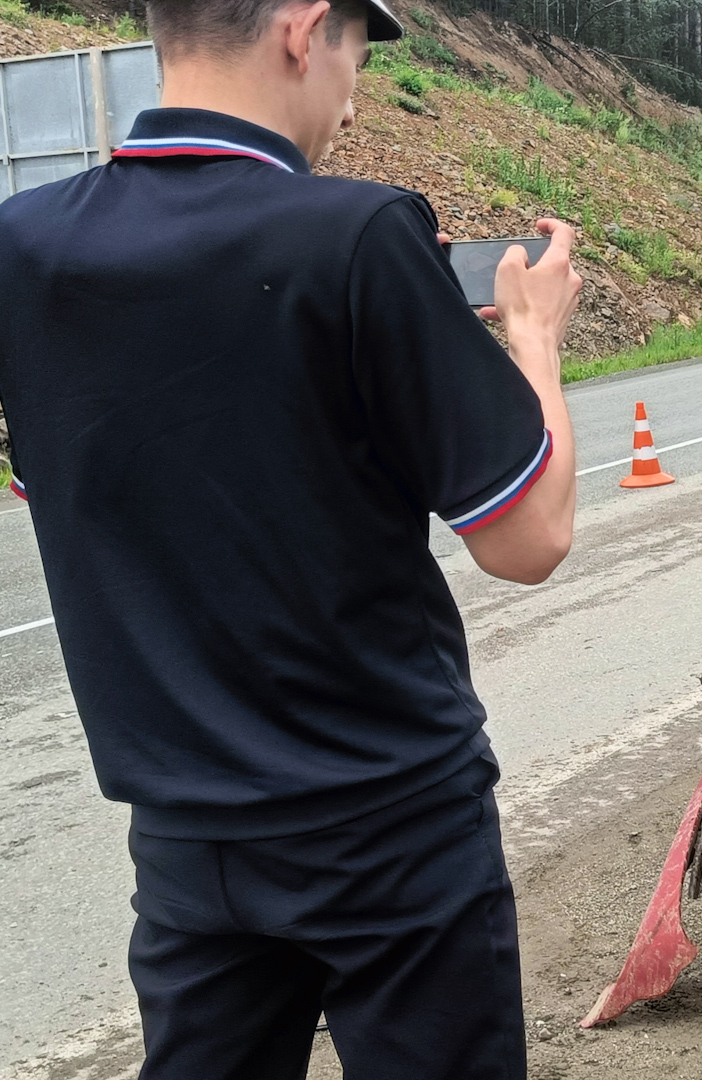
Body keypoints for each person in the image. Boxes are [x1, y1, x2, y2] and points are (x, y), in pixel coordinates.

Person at [0, 1, 583, 1077]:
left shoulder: (23, 247)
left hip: (185, 839)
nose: (353, 101)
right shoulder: (358, 235)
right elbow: (528, 535)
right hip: (389, 827)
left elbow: (76, 490)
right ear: (302, 30)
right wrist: (535, 339)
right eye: (356, 55)